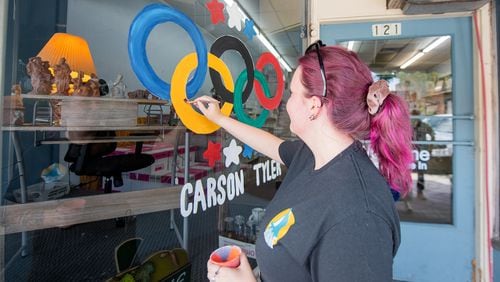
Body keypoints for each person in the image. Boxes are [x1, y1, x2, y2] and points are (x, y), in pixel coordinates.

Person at [195, 41, 413, 282]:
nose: (286, 103)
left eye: (292, 94)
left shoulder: (359, 218)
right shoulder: (311, 155)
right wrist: (219, 118)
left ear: (314, 105)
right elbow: (269, 144)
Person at [411, 109, 434, 200]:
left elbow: (432, 135)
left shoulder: (424, 126)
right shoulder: (408, 126)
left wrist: (430, 147)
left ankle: (420, 191)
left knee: (421, 171)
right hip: (411, 151)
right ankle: (407, 191)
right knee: (408, 170)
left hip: (421, 151)